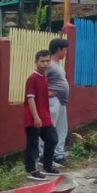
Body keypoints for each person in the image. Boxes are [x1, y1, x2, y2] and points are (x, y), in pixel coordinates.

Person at [24, 49, 59, 181]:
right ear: (36, 62)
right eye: (42, 61)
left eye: (47, 61)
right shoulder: (32, 78)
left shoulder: (43, 77)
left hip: (45, 116)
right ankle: (31, 169)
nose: (45, 64)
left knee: (52, 139)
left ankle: (47, 166)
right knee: (33, 144)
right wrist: (36, 117)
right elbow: (30, 98)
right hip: (34, 117)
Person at [42, 37, 71, 165]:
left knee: (61, 128)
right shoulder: (49, 65)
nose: (66, 52)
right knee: (48, 128)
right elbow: (41, 80)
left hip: (61, 101)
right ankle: (43, 154)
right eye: (65, 50)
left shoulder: (57, 65)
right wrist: (45, 92)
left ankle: (58, 154)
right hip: (52, 100)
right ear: (59, 49)